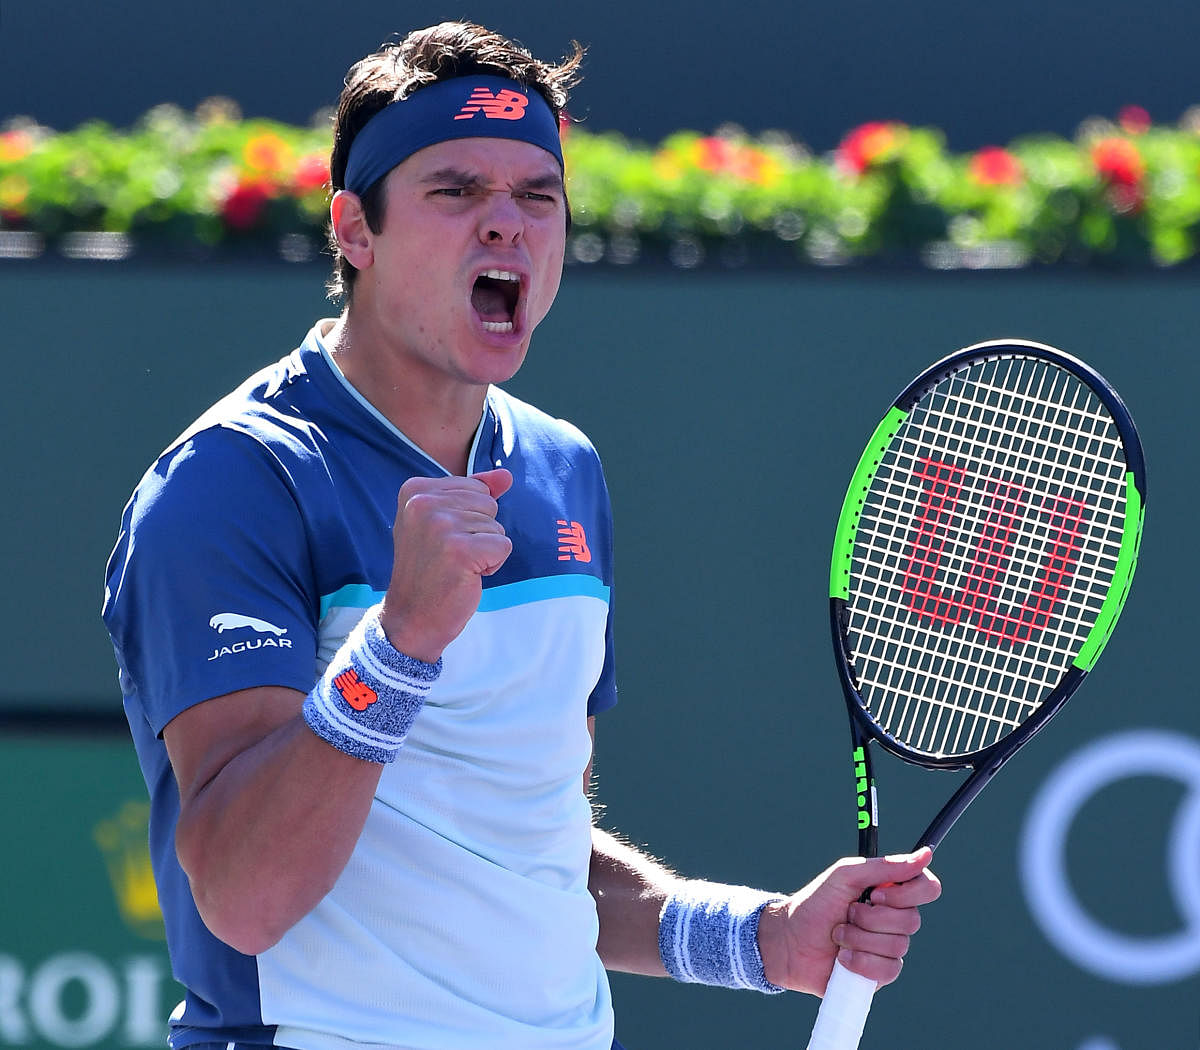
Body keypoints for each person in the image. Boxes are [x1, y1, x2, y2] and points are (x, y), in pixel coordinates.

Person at [102, 21, 940, 1050]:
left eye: (537, 196)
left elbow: (530, 850)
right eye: (455, 191)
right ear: (355, 232)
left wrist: (762, 944)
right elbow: (244, 895)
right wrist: (401, 645)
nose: (507, 224)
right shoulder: (236, 481)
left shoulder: (564, 470)